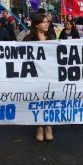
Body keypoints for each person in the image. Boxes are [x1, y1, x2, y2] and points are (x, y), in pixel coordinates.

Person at [23, 13, 55, 142]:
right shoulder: (28, 39)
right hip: (35, 76)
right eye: (44, 22)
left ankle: (49, 126)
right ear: (36, 25)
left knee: (49, 100)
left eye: (48, 21)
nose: (47, 24)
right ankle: (39, 126)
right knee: (38, 100)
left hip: (49, 75)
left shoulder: (51, 37)